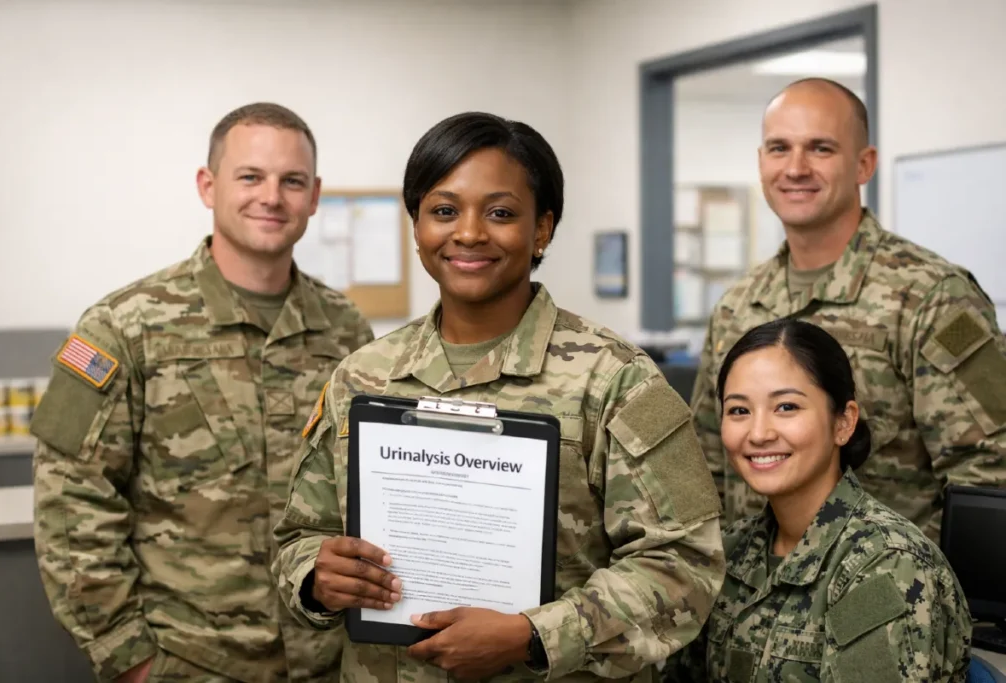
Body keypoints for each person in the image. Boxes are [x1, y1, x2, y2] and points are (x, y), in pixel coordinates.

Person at [271, 111, 725, 683]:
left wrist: (533, 636)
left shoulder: (616, 380)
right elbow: (298, 537)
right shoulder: (362, 377)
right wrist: (317, 576)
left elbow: (687, 564)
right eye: (443, 211)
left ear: (542, 230)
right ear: (417, 227)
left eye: (501, 213)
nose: (468, 233)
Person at [30, 102, 374, 683]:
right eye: (250, 176)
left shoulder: (346, 329)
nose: (272, 196)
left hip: (327, 659)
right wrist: (128, 660)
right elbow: (71, 506)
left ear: (314, 197)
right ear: (207, 186)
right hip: (188, 662)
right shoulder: (124, 325)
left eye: (291, 181)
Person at [690, 77, 1006, 541]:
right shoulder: (738, 306)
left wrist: (918, 585)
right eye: (779, 148)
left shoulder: (931, 297)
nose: (795, 168)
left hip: (882, 598)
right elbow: (707, 465)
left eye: (820, 149)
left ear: (864, 164)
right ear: (761, 162)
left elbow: (989, 471)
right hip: (753, 598)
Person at [668, 318, 972, 682]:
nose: (759, 433)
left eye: (786, 407)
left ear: (844, 423)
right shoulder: (731, 552)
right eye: (739, 411)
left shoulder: (885, 566)